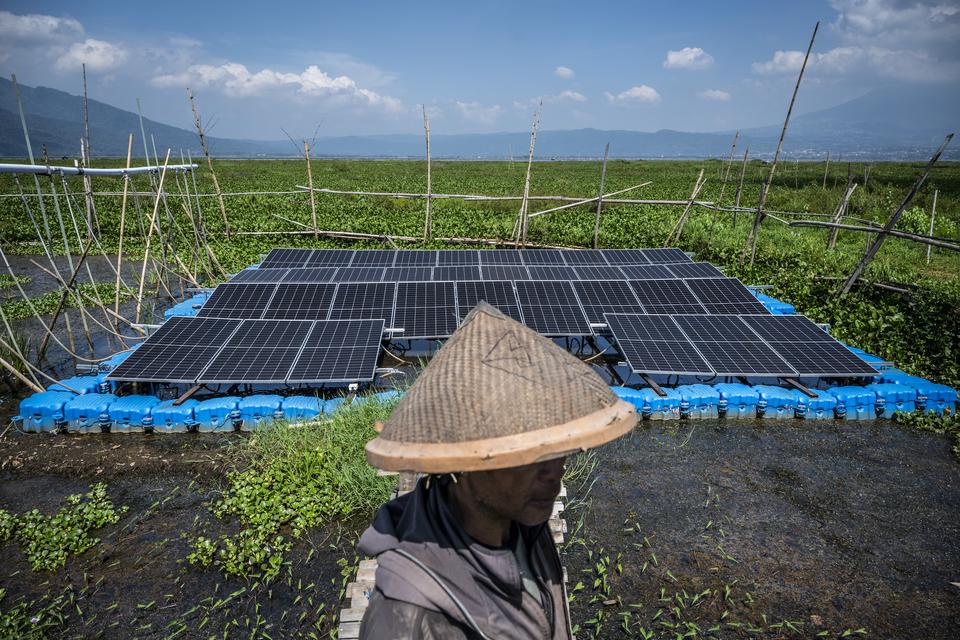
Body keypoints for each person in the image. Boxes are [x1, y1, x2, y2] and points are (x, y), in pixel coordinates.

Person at [358, 302, 637, 639]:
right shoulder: (405, 621)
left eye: (559, 450)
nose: (556, 472)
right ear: (466, 464)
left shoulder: (524, 523)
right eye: (528, 456)